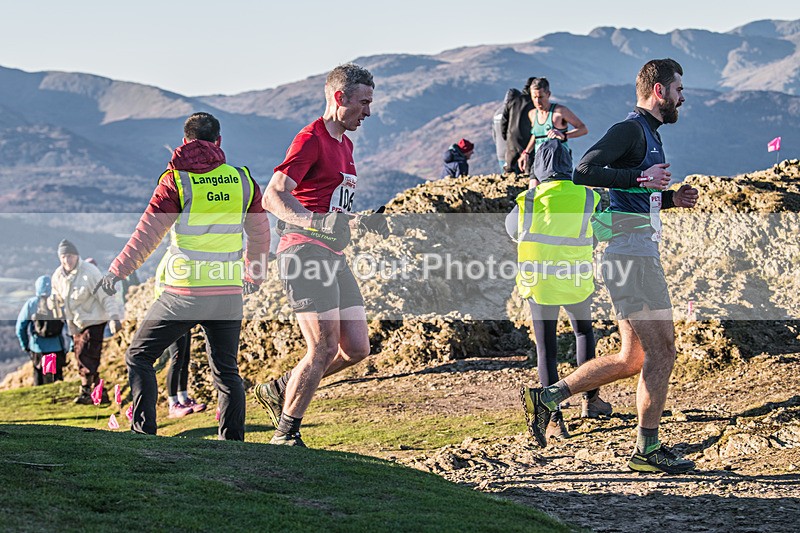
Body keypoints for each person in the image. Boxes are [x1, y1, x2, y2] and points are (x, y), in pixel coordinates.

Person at [521, 58, 700, 474]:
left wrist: (671, 198)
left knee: (632, 358)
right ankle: (647, 449)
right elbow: (584, 171)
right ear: (659, 91)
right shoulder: (630, 129)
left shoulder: (649, 135)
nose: (681, 97)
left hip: (634, 253)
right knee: (664, 351)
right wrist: (640, 179)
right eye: (677, 89)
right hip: (630, 258)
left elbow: (634, 196)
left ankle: (547, 398)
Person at [95, 112, 270, 440]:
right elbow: (261, 235)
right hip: (228, 292)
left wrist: (118, 271)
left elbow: (147, 234)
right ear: (219, 142)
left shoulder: (176, 181)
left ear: (185, 142)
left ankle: (144, 433)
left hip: (184, 294)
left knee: (138, 356)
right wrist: (254, 276)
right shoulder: (244, 180)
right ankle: (233, 444)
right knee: (227, 372)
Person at [253, 63, 388, 447]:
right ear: (339, 97)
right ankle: (285, 434)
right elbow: (273, 195)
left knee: (357, 347)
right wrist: (313, 223)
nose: (368, 112)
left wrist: (358, 221)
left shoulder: (345, 143)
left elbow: (332, 207)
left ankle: (282, 387)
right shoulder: (310, 138)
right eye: (363, 103)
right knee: (324, 347)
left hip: (332, 253)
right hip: (303, 252)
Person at [506, 139, 611, 440]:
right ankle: (590, 401)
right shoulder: (588, 197)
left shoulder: (527, 200)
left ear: (539, 168)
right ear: (569, 165)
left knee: (547, 350)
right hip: (577, 281)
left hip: (539, 286)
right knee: (583, 334)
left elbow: (513, 232)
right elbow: (601, 232)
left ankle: (554, 419)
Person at [51, 239, 122, 404]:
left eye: (70, 256)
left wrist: (114, 317)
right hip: (76, 323)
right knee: (81, 355)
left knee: (85, 354)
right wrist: (53, 304)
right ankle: (101, 394)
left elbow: (106, 295)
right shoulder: (58, 276)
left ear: (77, 256)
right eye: (63, 256)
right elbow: (56, 296)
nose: (67, 260)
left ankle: (86, 392)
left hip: (95, 319)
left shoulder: (89, 272)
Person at [152, 258, 207, 419]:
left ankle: (184, 398)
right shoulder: (168, 263)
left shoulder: (182, 261)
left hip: (185, 315)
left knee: (184, 358)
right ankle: (173, 404)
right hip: (172, 316)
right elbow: (163, 291)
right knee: (176, 358)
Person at [518, 77, 588, 176]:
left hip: (558, 161)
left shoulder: (560, 111)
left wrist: (564, 135)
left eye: (541, 97)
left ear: (548, 94)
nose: (537, 101)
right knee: (533, 190)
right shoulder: (532, 114)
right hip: (539, 159)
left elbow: (583, 129)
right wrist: (526, 152)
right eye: (534, 97)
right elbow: (536, 135)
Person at [15, 275, 67, 385]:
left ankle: (42, 399)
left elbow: (20, 327)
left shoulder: (31, 304)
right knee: (55, 380)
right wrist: (71, 345)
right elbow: (71, 325)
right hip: (56, 347)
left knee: (39, 380)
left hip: (37, 348)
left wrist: (25, 346)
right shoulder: (59, 303)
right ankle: (56, 400)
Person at [501, 79, 534, 173]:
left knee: (510, 169)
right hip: (528, 140)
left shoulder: (513, 101)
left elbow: (504, 120)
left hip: (512, 139)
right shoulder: (533, 103)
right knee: (528, 169)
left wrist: (506, 136)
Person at [491, 101, 507, 172]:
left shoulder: (497, 113)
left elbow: (494, 134)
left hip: (500, 151)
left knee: (505, 177)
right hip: (511, 152)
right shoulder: (513, 112)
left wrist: (498, 145)